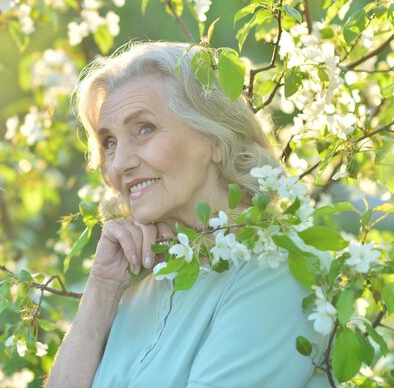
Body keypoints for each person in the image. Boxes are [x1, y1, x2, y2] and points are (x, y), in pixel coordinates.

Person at [44, 42, 328, 388]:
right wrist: (102, 290)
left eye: (144, 129)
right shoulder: (143, 281)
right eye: (109, 142)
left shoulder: (279, 267)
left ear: (215, 137)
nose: (119, 164)